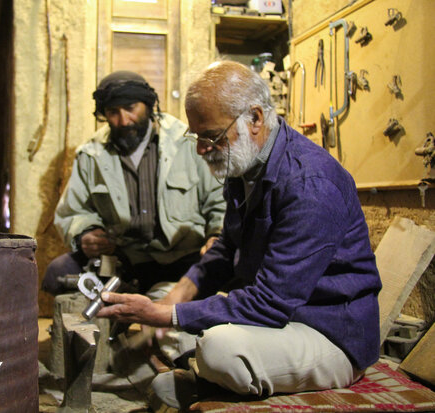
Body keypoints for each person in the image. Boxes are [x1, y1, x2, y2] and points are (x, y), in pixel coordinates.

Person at [96, 61, 382, 409]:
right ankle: (207, 374)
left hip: (327, 330)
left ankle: (209, 375)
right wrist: (175, 298)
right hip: (279, 320)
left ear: (256, 119)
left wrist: (166, 316)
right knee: (183, 326)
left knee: (220, 349)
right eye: (197, 136)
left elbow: (270, 302)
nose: (202, 149)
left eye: (211, 136)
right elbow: (225, 247)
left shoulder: (311, 184)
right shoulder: (243, 164)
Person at [43, 70, 226, 299]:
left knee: (231, 268)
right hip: (124, 261)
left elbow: (219, 200)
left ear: (148, 106)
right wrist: (86, 234)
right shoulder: (92, 153)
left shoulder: (187, 143)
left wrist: (216, 236)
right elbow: (73, 211)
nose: (123, 121)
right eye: (113, 112)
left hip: (184, 259)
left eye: (130, 108)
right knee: (58, 273)